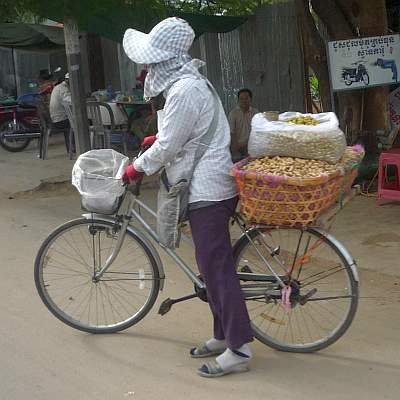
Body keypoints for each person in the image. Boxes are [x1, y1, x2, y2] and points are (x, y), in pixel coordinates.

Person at [122, 17, 253, 378]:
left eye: (150, 61)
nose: (146, 68)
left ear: (164, 60)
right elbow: (180, 134)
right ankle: (221, 334)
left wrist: (138, 167)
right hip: (203, 184)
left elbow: (168, 145)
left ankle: (239, 349)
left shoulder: (184, 90)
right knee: (208, 266)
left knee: (217, 269)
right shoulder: (188, 83)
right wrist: (157, 144)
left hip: (208, 190)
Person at [228, 88, 259, 162]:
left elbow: (258, 131)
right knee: (237, 167)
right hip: (237, 147)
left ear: (250, 99)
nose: (244, 101)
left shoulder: (256, 113)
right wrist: (236, 146)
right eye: (241, 99)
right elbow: (231, 132)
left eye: (246, 98)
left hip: (252, 146)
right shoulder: (233, 114)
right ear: (238, 100)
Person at [49, 73, 74, 153]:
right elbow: (71, 102)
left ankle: (73, 146)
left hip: (57, 118)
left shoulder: (59, 87)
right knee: (82, 122)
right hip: (60, 120)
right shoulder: (63, 89)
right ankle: (77, 147)